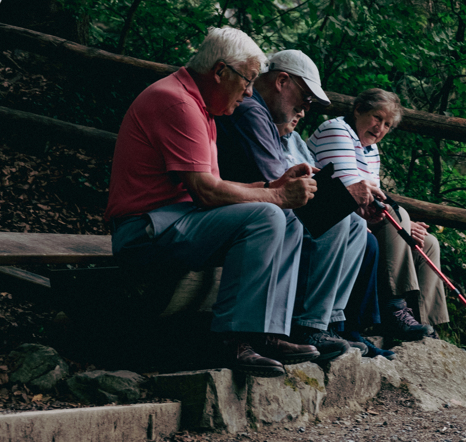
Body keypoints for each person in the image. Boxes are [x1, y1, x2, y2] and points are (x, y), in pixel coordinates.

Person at [105, 27, 320, 378]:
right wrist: (276, 195)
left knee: (289, 219)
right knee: (268, 215)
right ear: (220, 72)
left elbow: (215, 187)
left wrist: (273, 186)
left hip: (177, 220)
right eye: (247, 81)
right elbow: (206, 192)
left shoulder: (201, 107)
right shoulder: (176, 102)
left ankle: (267, 332)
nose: (250, 91)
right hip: (144, 229)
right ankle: (232, 340)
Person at [216, 49, 392, 360]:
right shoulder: (252, 112)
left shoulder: (270, 122)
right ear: (282, 81)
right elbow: (278, 182)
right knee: (336, 219)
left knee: (351, 222)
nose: (306, 108)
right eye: (305, 97)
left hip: (259, 205)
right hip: (244, 209)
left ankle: (325, 323)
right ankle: (304, 324)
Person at [308, 88, 449, 342]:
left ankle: (423, 321)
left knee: (428, 243)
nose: (380, 128)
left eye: (387, 124)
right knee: (398, 215)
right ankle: (394, 307)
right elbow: (352, 194)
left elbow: (374, 200)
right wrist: (400, 221)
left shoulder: (371, 150)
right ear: (358, 109)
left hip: (359, 215)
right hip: (330, 215)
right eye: (376, 118)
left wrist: (408, 225)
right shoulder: (337, 130)